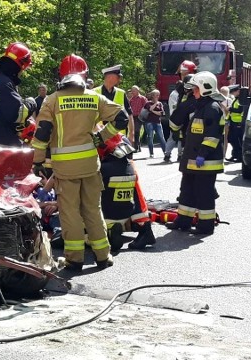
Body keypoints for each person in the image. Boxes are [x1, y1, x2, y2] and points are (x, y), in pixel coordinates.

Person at [31, 54, 129, 272]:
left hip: (65, 169)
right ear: (84, 75)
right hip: (90, 165)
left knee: (70, 212)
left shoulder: (53, 99)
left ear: (61, 75)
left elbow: (43, 132)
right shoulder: (95, 98)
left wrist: (37, 161)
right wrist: (102, 136)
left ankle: (75, 260)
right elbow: (121, 118)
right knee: (93, 210)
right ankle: (103, 256)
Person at [166, 71, 225, 235]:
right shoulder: (199, 107)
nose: (193, 92)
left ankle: (206, 226)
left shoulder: (212, 108)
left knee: (204, 194)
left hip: (205, 162)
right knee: (186, 191)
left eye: (196, 89)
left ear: (206, 88)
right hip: (192, 160)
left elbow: (212, 136)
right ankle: (183, 221)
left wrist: (202, 154)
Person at [98, 133, 156, 252]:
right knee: (137, 193)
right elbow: (139, 198)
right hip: (129, 211)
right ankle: (146, 230)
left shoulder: (102, 169)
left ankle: (108, 235)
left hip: (108, 215)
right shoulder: (129, 166)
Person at [0, 42, 37, 147]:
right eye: (23, 68)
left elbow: (2, 116)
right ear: (19, 65)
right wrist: (31, 102)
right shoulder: (5, 84)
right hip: (4, 147)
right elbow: (18, 114)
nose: (22, 71)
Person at [93, 64, 135, 143]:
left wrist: (131, 134)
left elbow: (129, 114)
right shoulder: (94, 93)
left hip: (119, 137)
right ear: (110, 77)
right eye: (118, 77)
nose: (120, 80)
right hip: (99, 137)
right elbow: (89, 116)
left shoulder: (121, 93)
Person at [164, 80, 183, 162]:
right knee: (175, 138)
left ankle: (177, 155)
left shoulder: (175, 94)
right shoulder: (175, 94)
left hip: (175, 118)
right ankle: (169, 154)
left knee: (177, 138)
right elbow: (176, 106)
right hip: (176, 118)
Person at [143, 89, 166, 158]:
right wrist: (155, 104)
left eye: (158, 95)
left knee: (161, 137)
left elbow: (161, 113)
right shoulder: (148, 103)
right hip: (149, 123)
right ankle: (151, 153)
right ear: (152, 96)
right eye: (156, 95)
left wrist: (153, 111)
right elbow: (149, 109)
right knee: (150, 137)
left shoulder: (160, 103)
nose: (158, 96)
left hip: (158, 123)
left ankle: (165, 152)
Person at [226, 85, 244, 162]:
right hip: (233, 122)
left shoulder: (241, 100)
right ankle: (234, 155)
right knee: (231, 139)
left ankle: (239, 156)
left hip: (238, 123)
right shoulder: (236, 99)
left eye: (234, 92)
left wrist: (230, 109)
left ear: (238, 91)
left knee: (237, 140)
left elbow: (240, 110)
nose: (232, 94)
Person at [129, 85, 147, 152]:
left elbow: (146, 107)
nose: (132, 92)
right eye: (132, 91)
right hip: (133, 117)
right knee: (135, 132)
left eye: (133, 91)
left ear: (137, 91)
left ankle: (136, 147)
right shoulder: (131, 99)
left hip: (140, 117)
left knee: (136, 131)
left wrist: (142, 115)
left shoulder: (142, 98)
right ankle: (138, 146)